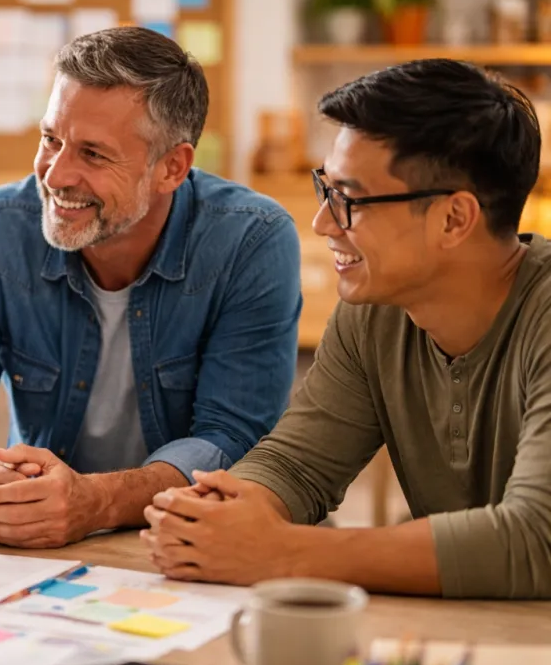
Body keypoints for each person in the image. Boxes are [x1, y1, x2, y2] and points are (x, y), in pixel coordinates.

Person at [0, 27, 302, 548]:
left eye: (93, 154)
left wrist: (94, 501)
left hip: (178, 542)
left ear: (172, 167)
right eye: (51, 139)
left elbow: (235, 444)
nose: (55, 175)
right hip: (36, 545)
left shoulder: (250, 240)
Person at [145, 58, 551, 599]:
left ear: (454, 219)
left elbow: (536, 539)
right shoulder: (377, 309)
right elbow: (297, 463)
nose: (322, 223)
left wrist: (282, 552)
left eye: (350, 200)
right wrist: (221, 514)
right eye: (325, 189)